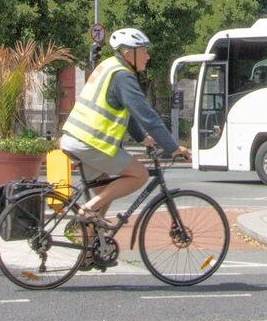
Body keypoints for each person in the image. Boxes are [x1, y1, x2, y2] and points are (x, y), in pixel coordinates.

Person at [60, 27, 189, 226]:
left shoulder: (108, 66)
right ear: (128, 53)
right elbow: (147, 116)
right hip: (91, 143)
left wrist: (142, 138)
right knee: (140, 174)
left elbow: (126, 114)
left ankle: (91, 253)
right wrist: (172, 147)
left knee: (105, 195)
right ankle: (86, 209)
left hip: (75, 138)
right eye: (143, 50)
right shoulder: (123, 76)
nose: (147, 56)